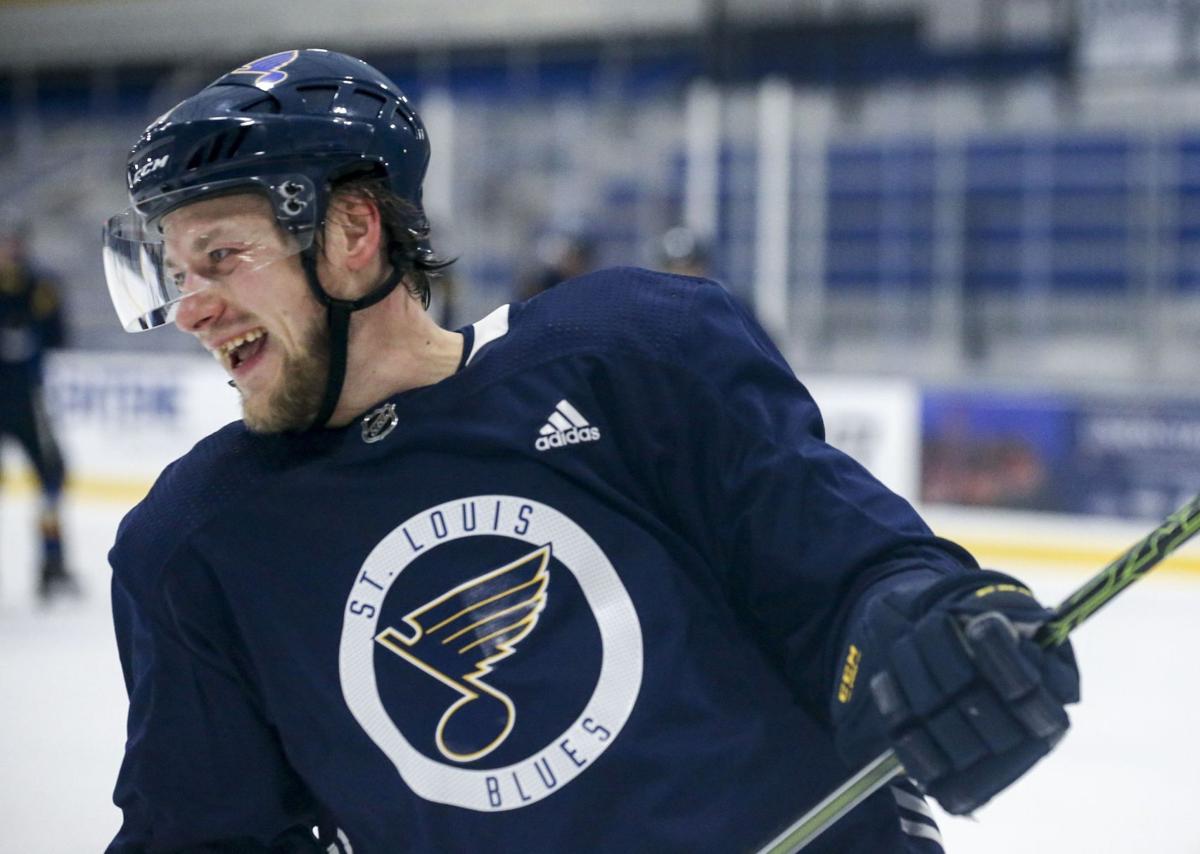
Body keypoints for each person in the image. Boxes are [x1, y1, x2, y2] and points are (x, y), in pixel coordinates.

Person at [101, 50, 1079, 854]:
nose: (188, 307)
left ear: (354, 230)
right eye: (175, 272)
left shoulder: (632, 350)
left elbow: (843, 572)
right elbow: (200, 830)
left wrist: (928, 629)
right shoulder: (195, 548)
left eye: (221, 256)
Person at [0, 223, 80, 602]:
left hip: (30, 402)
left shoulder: (39, 285)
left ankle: (53, 562)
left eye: (9, 243)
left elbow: (59, 336)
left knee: (52, 480)